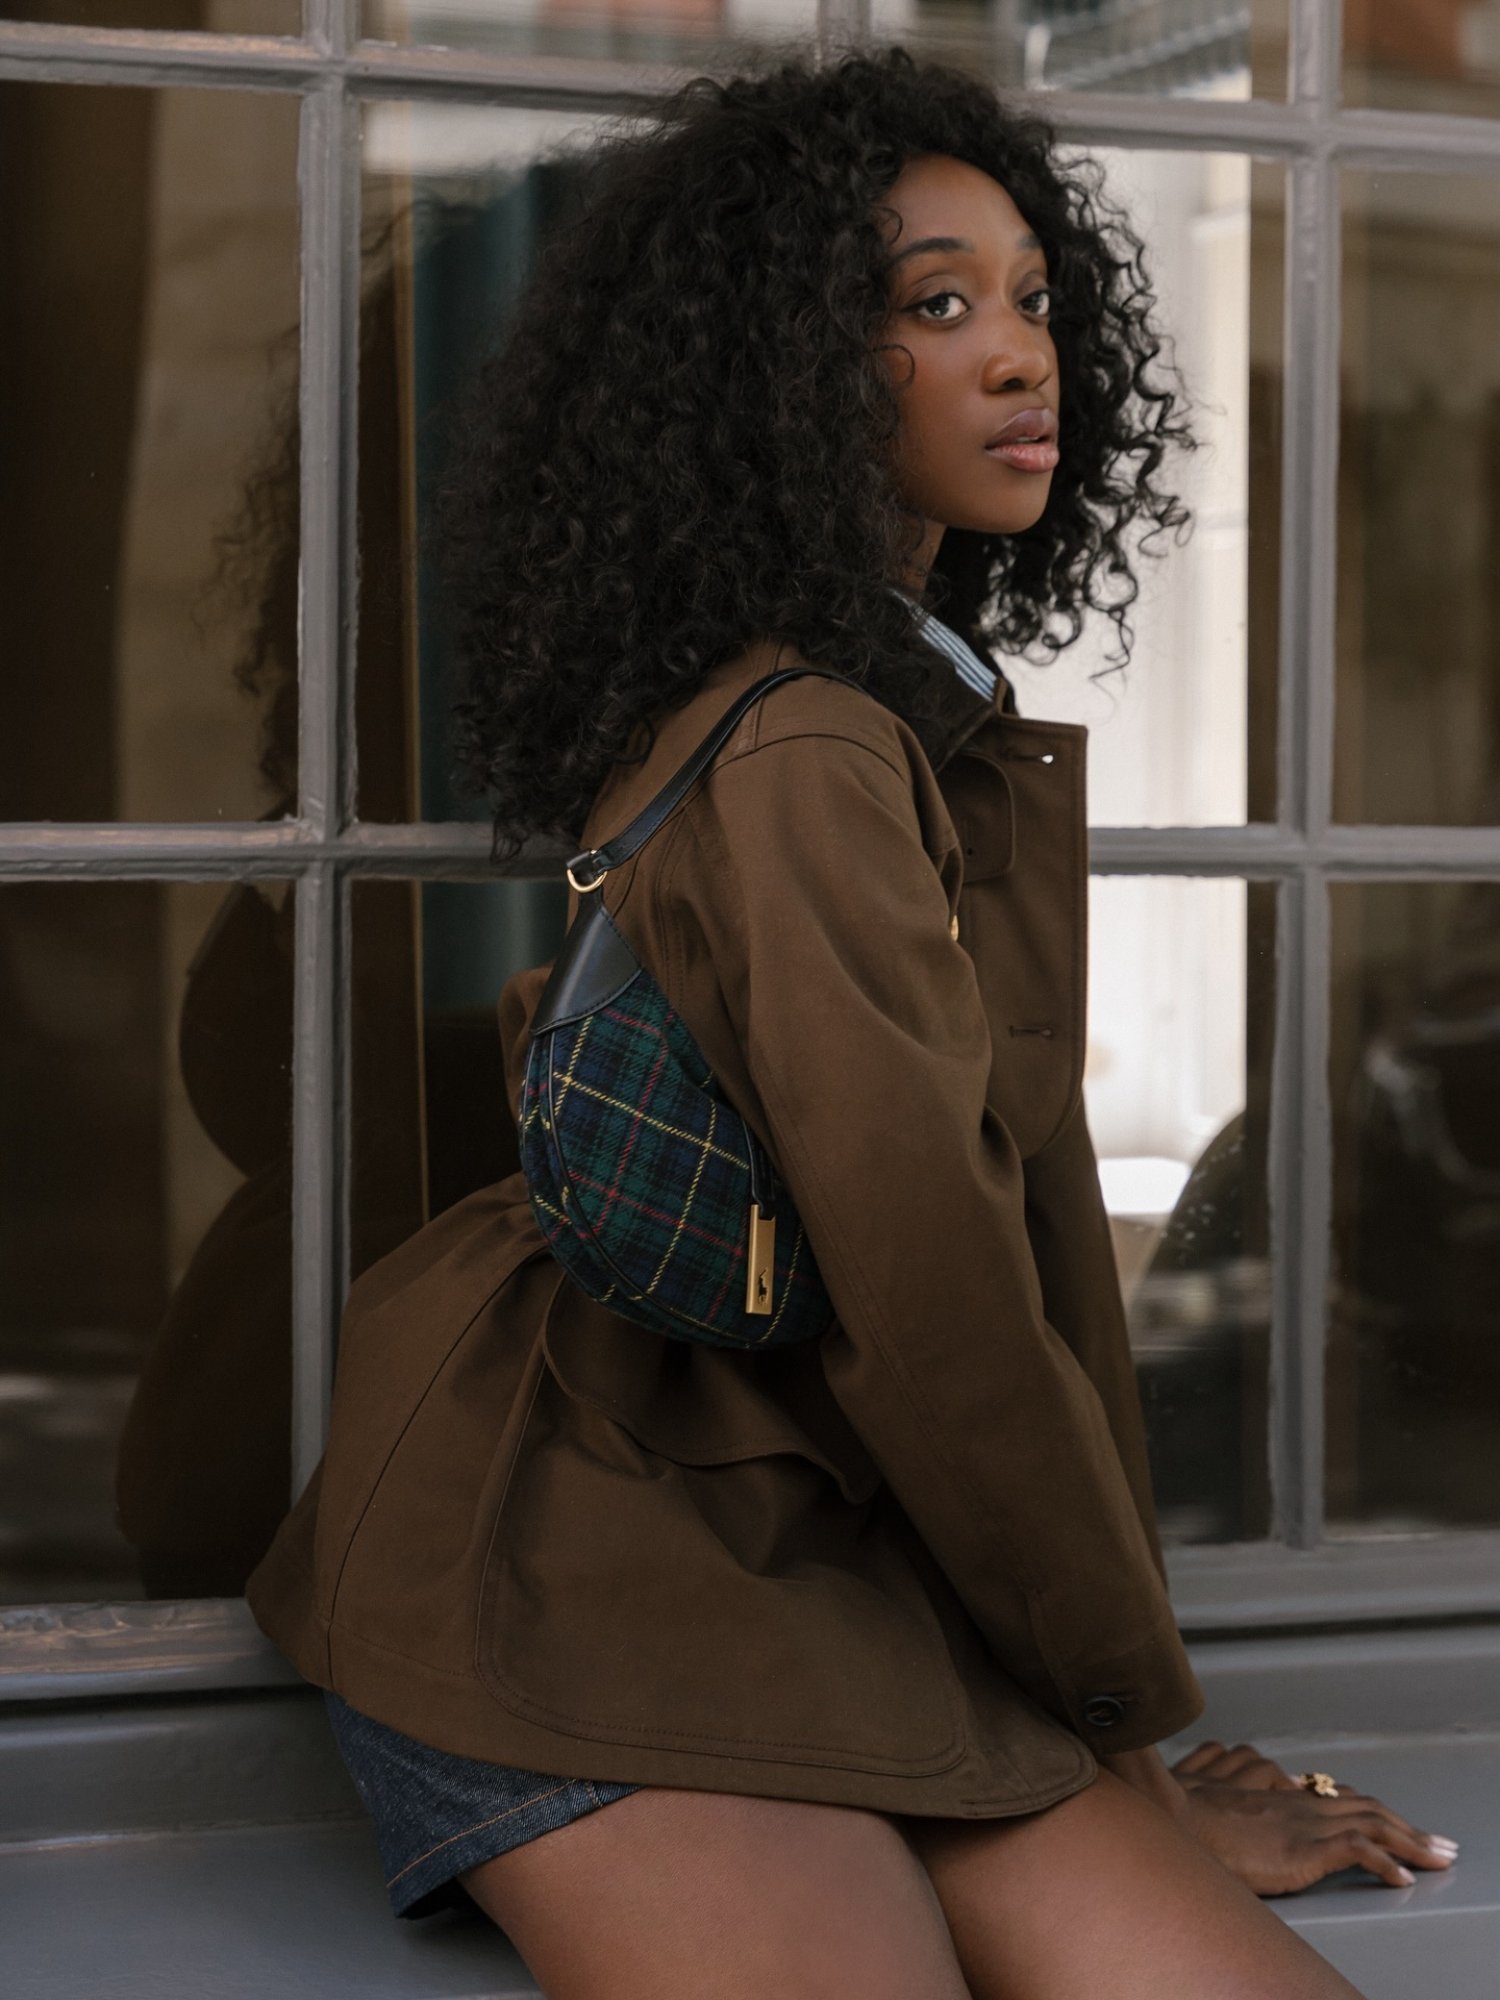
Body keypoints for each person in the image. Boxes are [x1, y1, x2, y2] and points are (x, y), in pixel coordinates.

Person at [245, 44, 1457, 1997]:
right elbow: (950, 1296)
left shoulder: (902, 705)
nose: (1021, 356)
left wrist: (1114, 1760)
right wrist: (1118, 1726)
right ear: (791, 373)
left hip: (835, 1556)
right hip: (578, 1561)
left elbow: (1008, 1260)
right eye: (936, 304)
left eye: (1037, 300)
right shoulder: (809, 737)